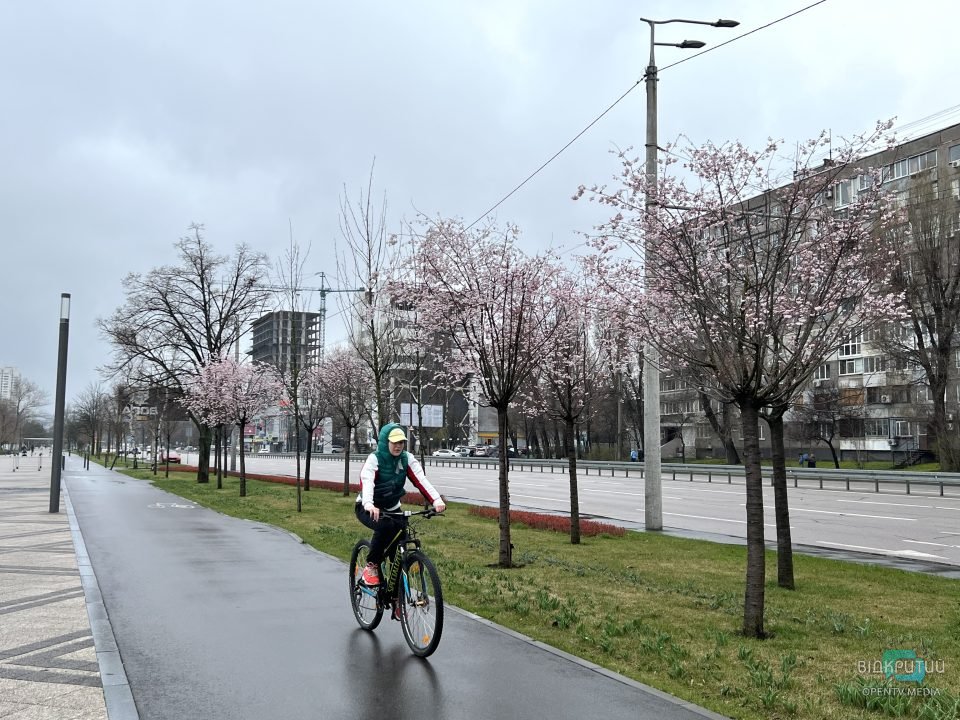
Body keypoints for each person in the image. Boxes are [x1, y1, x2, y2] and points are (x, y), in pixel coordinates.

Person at [356, 423, 446, 589]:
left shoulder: (407, 459)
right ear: (385, 442)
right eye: (394, 442)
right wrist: (369, 504)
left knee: (401, 538)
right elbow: (366, 481)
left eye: (401, 442)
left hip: (392, 508)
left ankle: (398, 596)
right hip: (367, 507)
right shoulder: (375, 459)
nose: (398, 446)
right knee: (384, 526)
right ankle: (371, 566)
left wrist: (436, 500)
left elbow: (421, 480)